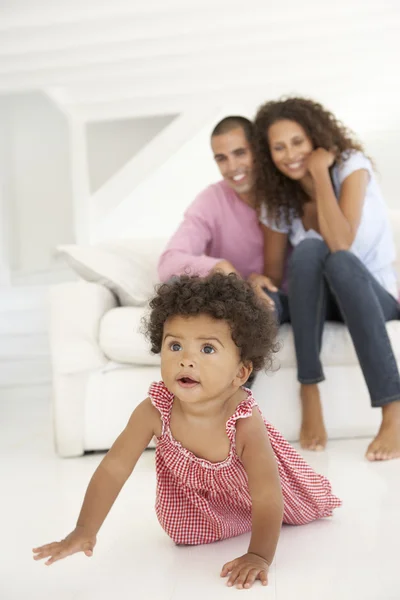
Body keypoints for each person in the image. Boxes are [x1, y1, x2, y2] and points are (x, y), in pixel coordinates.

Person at [33, 273, 341, 590]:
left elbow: (266, 494)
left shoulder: (244, 422)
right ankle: (229, 519)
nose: (186, 360)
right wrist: (85, 528)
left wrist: (259, 555)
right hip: (200, 504)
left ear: (241, 372)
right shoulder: (154, 410)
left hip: (262, 492)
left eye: (207, 349)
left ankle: (261, 523)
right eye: (175, 345)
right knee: (186, 538)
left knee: (295, 512)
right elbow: (114, 468)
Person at [253, 96, 400, 461]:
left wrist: (319, 174)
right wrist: (255, 280)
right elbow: (275, 275)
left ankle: (394, 412)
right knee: (307, 252)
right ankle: (309, 389)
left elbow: (342, 242)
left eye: (298, 142)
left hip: (371, 294)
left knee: (338, 261)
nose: (290, 155)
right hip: (319, 302)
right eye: (279, 147)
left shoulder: (350, 166)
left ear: (316, 138)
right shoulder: (277, 199)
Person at [158, 116, 277, 308]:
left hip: (284, 296)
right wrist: (217, 267)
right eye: (222, 159)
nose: (232, 167)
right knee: (175, 285)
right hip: (240, 302)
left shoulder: (283, 191)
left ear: (258, 151)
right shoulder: (211, 200)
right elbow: (168, 262)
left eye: (240, 153)